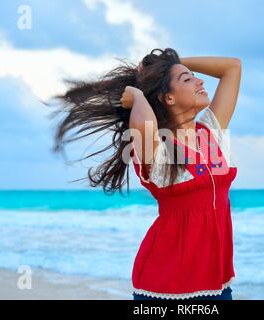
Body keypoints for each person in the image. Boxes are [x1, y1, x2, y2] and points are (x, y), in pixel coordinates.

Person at [50, 48, 241, 300]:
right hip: (165, 289)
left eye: (193, 76)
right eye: (187, 79)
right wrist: (139, 96)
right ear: (168, 99)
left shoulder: (211, 134)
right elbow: (144, 124)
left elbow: (232, 68)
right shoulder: (159, 146)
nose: (200, 80)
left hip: (217, 284)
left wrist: (170, 64)